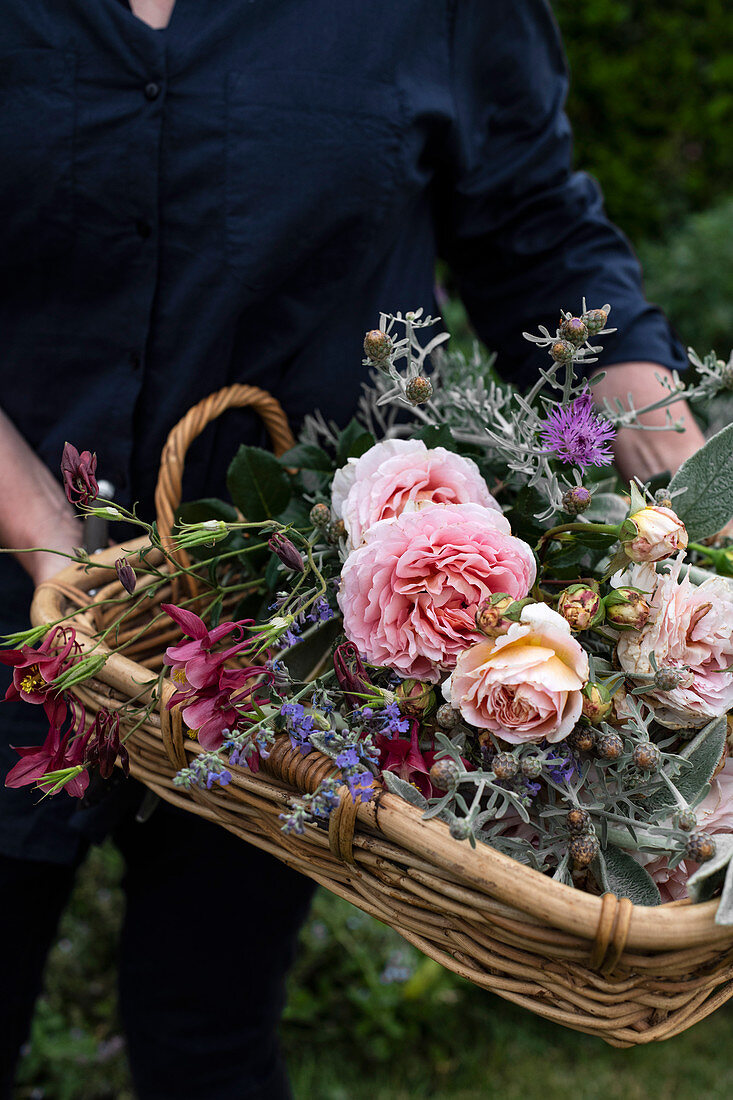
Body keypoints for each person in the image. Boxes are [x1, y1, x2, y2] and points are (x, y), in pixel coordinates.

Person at [0, 1, 707, 1096]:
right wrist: (44, 530)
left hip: (289, 651)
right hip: (13, 600)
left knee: (210, 1030)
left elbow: (543, 250)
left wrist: (702, 535)